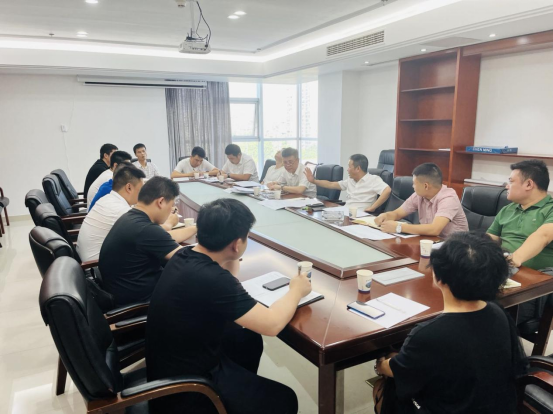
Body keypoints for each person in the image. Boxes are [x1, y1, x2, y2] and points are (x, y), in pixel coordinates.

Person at [147, 198, 310, 414]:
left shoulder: (184, 255)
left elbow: (228, 277)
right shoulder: (212, 278)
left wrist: (232, 254)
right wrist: (296, 290)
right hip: (187, 389)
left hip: (171, 364)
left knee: (247, 339)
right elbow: (272, 324)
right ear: (237, 243)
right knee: (284, 399)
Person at [373, 232, 527, 414]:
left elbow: (395, 371)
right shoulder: (498, 311)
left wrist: (381, 363)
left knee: (383, 386)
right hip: (498, 406)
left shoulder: (429, 334)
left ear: (438, 277)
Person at [99, 177, 198, 307]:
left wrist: (198, 227)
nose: (171, 210)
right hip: (141, 303)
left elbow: (165, 239)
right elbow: (190, 259)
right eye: (171, 205)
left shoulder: (131, 218)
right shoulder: (146, 229)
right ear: (161, 202)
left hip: (124, 290)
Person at [487, 159, 553, 325]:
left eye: (511, 181)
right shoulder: (508, 209)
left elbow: (543, 235)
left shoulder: (550, 209)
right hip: (501, 274)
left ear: (529, 184)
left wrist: (513, 259)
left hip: (533, 285)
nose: (506, 186)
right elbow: (489, 239)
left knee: (484, 315)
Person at [374, 163, 468, 237]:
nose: (412, 186)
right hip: (431, 241)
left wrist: (399, 227)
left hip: (455, 247)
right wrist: (386, 215)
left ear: (426, 186)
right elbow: (398, 213)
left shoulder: (448, 198)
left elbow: (434, 229)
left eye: (414, 183)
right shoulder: (419, 196)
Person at [77, 164, 145, 262]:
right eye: (141, 190)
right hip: (96, 265)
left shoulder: (107, 199)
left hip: (90, 260)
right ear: (129, 187)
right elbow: (146, 233)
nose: (143, 194)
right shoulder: (120, 210)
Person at [305, 154, 391, 212]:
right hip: (346, 212)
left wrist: (373, 207)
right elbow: (331, 184)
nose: (347, 169)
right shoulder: (350, 180)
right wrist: (313, 181)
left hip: (361, 216)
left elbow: (387, 190)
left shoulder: (373, 179)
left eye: (349, 167)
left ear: (358, 169)